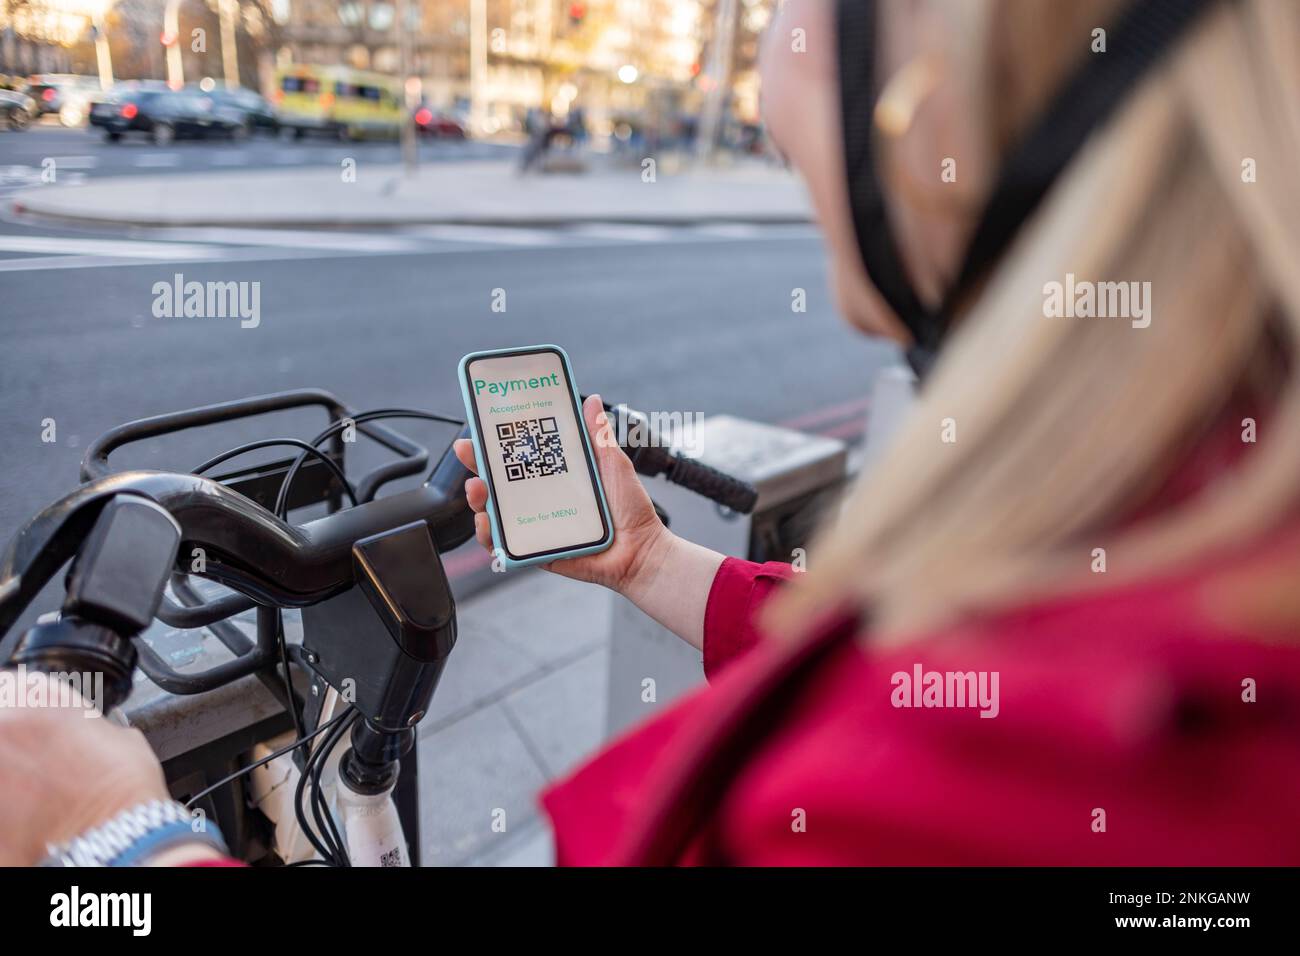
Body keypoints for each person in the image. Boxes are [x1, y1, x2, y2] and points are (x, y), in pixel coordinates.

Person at [4, 0, 1300, 865]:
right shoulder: (1179, 526)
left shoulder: (1003, 779)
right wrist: (649, 564)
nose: (770, 60)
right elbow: (905, 650)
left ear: (938, 85)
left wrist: (113, 840)